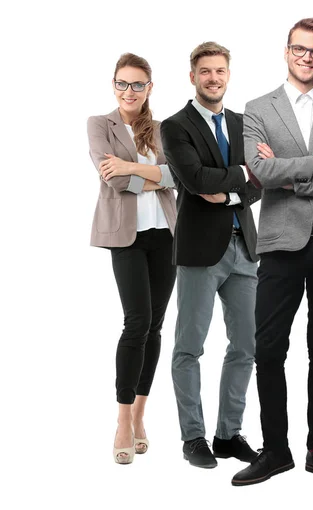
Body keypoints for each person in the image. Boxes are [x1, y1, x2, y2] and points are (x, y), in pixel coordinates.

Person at [231, 18, 313, 487]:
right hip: (281, 243)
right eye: (300, 49)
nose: (307, 57)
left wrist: (286, 176)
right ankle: (275, 451)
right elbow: (257, 170)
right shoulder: (256, 108)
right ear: (286, 51)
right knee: (268, 349)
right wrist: (312, 164)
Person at [160, 42, 261, 470]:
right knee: (189, 346)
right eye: (205, 71)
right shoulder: (175, 126)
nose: (213, 78)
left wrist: (230, 187)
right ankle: (193, 437)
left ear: (228, 74)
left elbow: (261, 182)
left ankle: (227, 433)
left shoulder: (243, 123)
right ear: (193, 76)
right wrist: (237, 177)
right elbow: (194, 178)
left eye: (220, 71)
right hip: (201, 252)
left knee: (246, 346)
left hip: (245, 249)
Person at [87, 53, 177, 464]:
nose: (129, 91)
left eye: (137, 84)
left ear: (149, 88)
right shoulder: (99, 125)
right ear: (114, 85)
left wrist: (146, 171)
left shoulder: (162, 129)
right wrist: (149, 174)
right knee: (136, 321)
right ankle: (122, 419)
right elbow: (115, 178)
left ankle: (141, 414)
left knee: (155, 326)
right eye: (122, 83)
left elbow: (179, 178)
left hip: (167, 235)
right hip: (126, 237)